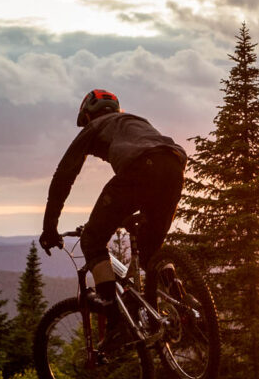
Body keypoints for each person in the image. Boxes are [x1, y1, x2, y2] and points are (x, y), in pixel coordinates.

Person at [39, 89, 187, 318]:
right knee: (151, 252)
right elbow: (153, 170)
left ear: (87, 115)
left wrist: (50, 227)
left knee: (92, 239)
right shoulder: (136, 121)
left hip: (139, 169)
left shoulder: (94, 127)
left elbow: (64, 176)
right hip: (174, 168)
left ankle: (112, 311)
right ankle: (180, 299)